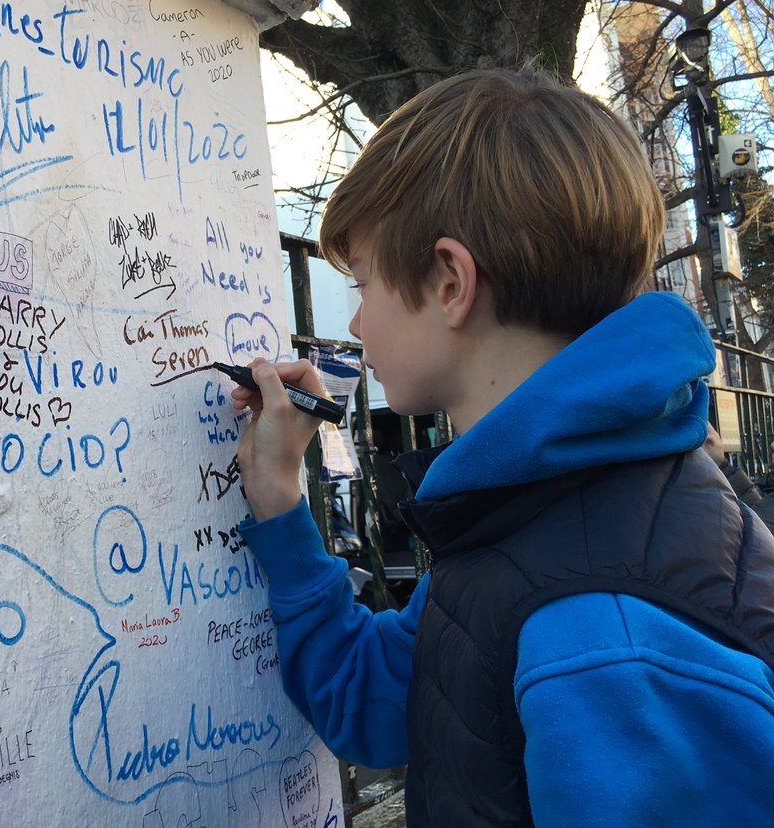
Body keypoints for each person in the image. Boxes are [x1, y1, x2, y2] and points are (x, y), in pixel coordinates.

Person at [231, 67, 774, 826]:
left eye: (363, 288)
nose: (355, 328)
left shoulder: (597, 631)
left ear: (451, 282)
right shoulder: (534, 512)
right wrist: (282, 502)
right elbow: (382, 703)